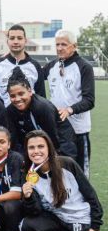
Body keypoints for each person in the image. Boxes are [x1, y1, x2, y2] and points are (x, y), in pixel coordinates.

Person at [20, 130, 102, 231]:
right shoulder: (29, 173)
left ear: (49, 148)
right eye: (31, 147)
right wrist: (28, 197)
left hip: (79, 221)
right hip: (57, 219)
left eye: (41, 146)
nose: (36, 151)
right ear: (26, 150)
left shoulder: (67, 164)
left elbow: (91, 195)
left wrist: (95, 226)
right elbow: (35, 211)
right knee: (25, 225)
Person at [44, 29, 95, 177]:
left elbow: (89, 100)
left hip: (78, 130)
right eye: (57, 44)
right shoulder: (52, 66)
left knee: (81, 174)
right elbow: (34, 75)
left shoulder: (84, 67)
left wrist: (69, 110)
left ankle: (86, 201)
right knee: (59, 172)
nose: (59, 48)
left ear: (74, 46)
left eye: (64, 44)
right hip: (58, 130)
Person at [5, 67, 77, 158]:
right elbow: (15, 140)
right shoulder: (10, 111)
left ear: (30, 91)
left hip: (62, 147)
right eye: (13, 96)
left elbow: (53, 137)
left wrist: (54, 160)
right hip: (37, 149)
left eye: (21, 94)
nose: (17, 99)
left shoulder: (42, 107)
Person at [0, 24, 45, 107]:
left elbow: (41, 97)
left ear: (25, 41)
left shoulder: (35, 66)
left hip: (29, 116)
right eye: (12, 38)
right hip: (3, 115)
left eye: (19, 38)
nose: (16, 41)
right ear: (7, 41)